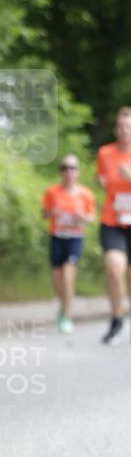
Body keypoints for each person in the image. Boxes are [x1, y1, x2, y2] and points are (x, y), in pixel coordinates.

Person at [41, 156, 95, 334]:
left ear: (77, 172)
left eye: (72, 168)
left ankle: (67, 316)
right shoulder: (52, 192)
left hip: (74, 238)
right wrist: (51, 213)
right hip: (57, 237)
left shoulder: (86, 194)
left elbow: (91, 217)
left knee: (68, 276)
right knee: (57, 281)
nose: (68, 172)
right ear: (60, 172)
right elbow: (44, 213)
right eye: (64, 168)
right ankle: (64, 305)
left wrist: (82, 218)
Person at [96, 107, 131, 345]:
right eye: (120, 126)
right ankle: (117, 320)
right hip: (113, 221)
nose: (124, 131)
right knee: (113, 268)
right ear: (115, 129)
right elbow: (101, 178)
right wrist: (99, 181)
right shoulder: (105, 153)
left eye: (128, 127)